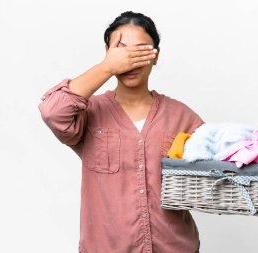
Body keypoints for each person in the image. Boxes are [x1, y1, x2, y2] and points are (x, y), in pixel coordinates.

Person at [38, 11, 204, 253]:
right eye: (121, 51)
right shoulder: (88, 112)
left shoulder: (181, 116)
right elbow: (52, 112)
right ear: (108, 52)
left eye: (140, 50)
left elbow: (216, 171)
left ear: (156, 56)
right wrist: (107, 67)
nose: (130, 60)